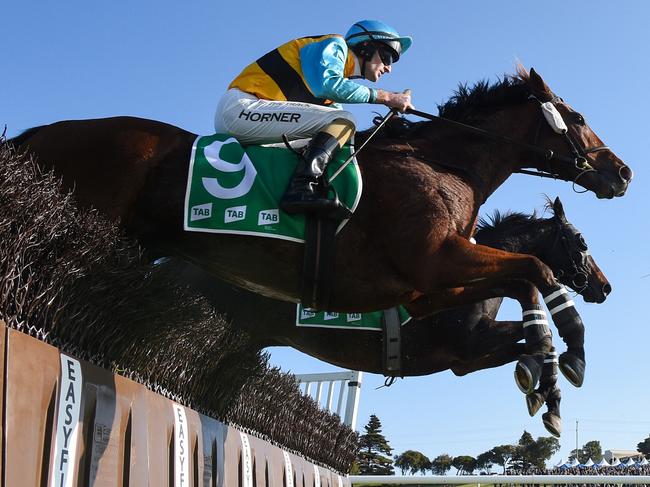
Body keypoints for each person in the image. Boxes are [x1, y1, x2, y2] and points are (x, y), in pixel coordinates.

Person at [214, 20, 414, 216]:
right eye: (387, 57)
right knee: (344, 120)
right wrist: (386, 97)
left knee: (339, 131)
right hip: (241, 109)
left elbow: (337, 126)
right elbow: (328, 86)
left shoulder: (335, 82)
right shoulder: (334, 45)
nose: (389, 68)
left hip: (255, 116)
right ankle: (301, 189)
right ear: (366, 47)